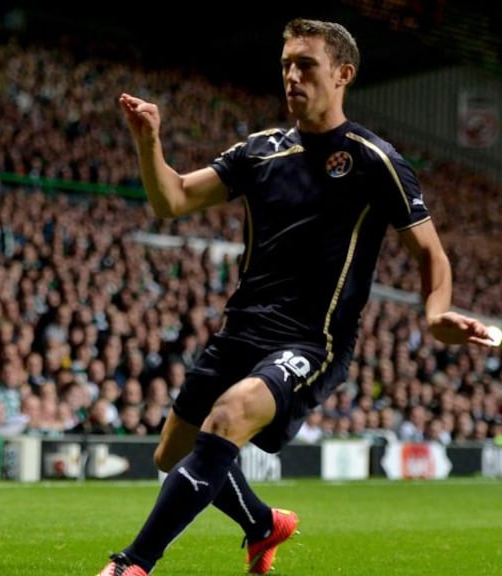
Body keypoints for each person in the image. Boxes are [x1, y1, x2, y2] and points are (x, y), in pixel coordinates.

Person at [101, 18, 496, 576]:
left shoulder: (373, 159)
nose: (291, 75)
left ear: (343, 74)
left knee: (228, 416)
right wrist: (151, 144)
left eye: (305, 65)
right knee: (171, 454)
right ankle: (263, 526)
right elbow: (173, 200)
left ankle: (132, 564)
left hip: (313, 339)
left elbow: (430, 253)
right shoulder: (259, 151)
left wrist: (434, 314)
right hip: (240, 329)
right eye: (286, 64)